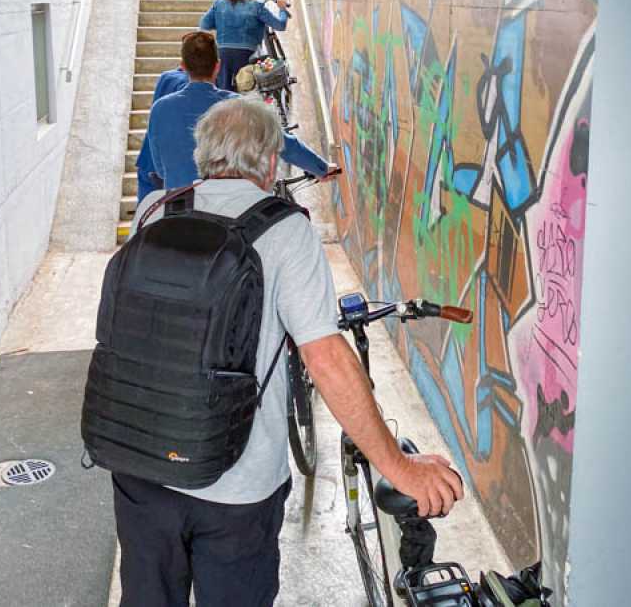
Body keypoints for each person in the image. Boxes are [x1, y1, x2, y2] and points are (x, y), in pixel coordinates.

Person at [116, 98, 464, 606]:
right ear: (273, 162)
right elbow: (325, 358)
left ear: (202, 154)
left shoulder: (155, 210)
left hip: (139, 465)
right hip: (235, 488)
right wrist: (400, 467)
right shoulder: (285, 231)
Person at [148, 31, 327, 188]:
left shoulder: (160, 109)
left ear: (183, 67)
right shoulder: (240, 106)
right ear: (217, 66)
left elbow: (160, 170)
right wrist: (322, 169)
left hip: (178, 212)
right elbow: (285, 144)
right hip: (226, 211)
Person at [199, 0, 290, 91]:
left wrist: (223, 23)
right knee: (246, 88)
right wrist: (282, 9)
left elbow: (204, 24)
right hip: (248, 54)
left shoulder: (219, 3)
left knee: (224, 92)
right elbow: (280, 25)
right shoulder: (256, 6)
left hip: (223, 53)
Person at [134, 62, 188, 201]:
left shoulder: (166, 77)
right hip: (168, 168)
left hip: (148, 160)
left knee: (145, 215)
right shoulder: (185, 84)